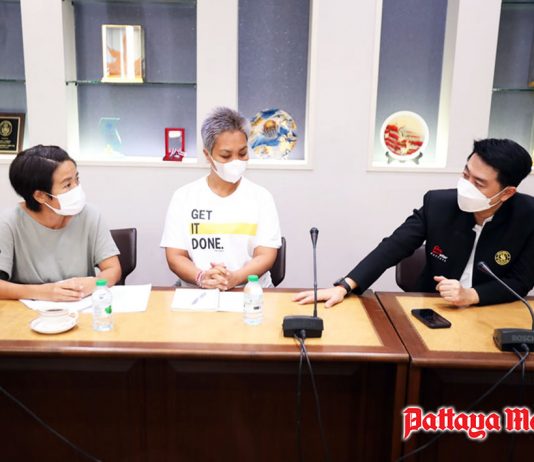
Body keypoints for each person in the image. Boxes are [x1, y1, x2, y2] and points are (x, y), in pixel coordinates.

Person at [294, 138, 534, 308]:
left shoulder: (529, 216)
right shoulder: (438, 204)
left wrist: (471, 295)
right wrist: (344, 286)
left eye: (478, 183)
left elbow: (520, 281)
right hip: (433, 307)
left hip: (493, 308)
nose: (466, 185)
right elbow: (394, 246)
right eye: (465, 174)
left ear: (507, 193)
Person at [161, 107, 281, 289]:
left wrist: (235, 278)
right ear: (207, 155)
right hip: (197, 292)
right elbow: (175, 256)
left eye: (242, 153)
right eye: (226, 155)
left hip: (251, 291)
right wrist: (201, 277)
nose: (236, 161)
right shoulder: (184, 197)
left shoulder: (261, 197)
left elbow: (266, 255)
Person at [0, 145, 121, 301]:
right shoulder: (8, 223)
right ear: (40, 196)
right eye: (67, 185)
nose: (76, 189)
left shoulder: (90, 215)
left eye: (77, 179)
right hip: (26, 311)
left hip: (80, 307)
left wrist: (92, 284)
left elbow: (113, 269)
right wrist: (43, 292)